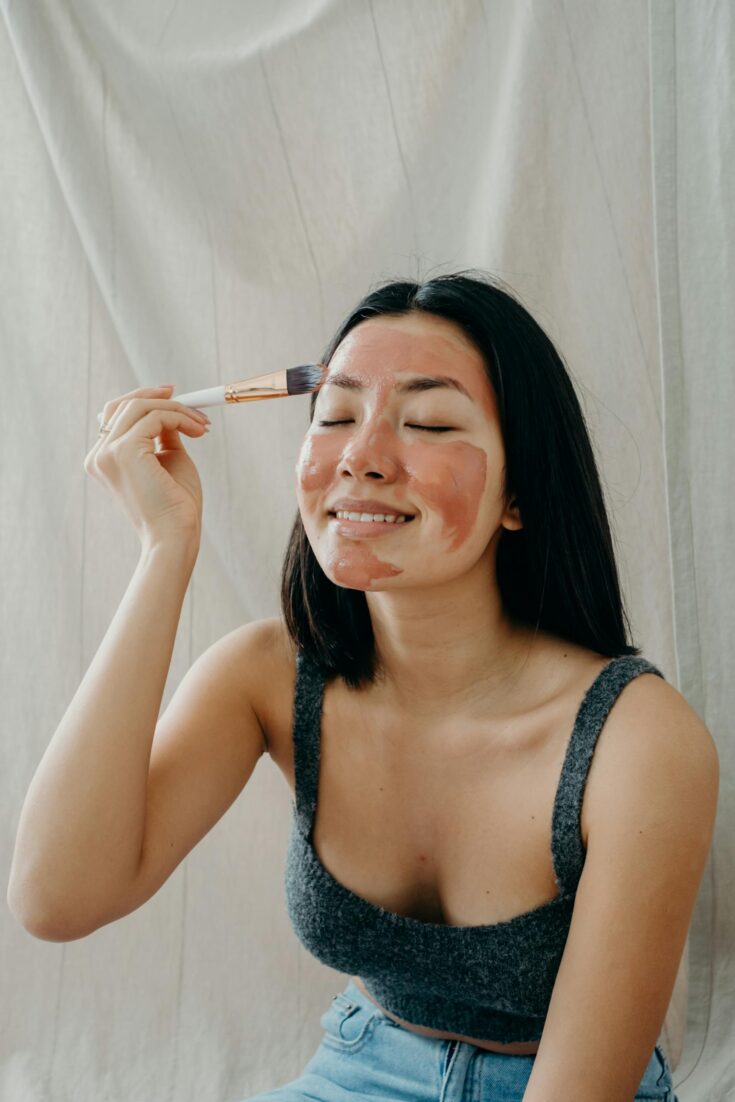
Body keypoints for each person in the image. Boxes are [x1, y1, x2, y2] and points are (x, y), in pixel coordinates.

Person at [8, 271, 716, 1101]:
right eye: (335, 416)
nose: (359, 456)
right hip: (355, 1067)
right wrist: (164, 551)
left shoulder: (637, 741)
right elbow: (58, 898)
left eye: (426, 422)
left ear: (519, 493)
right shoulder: (268, 677)